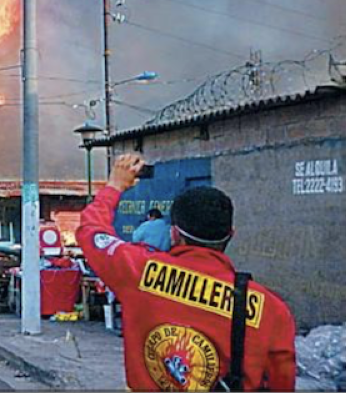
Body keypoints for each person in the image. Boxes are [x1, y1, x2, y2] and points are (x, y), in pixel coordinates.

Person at [78, 154, 296, 391]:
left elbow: (92, 231)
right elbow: (282, 382)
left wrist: (115, 186)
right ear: (231, 234)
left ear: (174, 234)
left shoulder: (138, 271)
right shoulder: (271, 310)